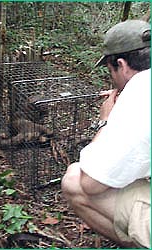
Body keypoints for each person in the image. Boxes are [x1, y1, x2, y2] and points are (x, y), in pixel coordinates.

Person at [61, 19, 151, 248]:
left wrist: (106, 121)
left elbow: (91, 183)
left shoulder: (139, 94)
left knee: (74, 179)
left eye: (111, 70)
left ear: (122, 64)